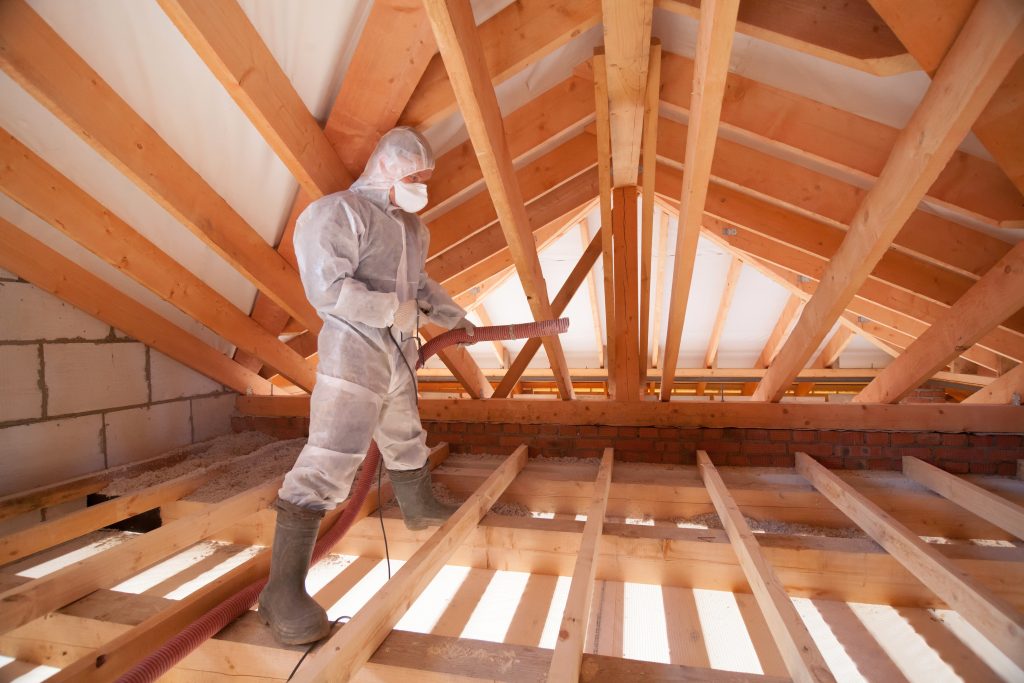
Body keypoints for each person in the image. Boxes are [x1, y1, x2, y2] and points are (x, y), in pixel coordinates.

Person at [258, 127, 474, 645]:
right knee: (331, 457)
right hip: (353, 352)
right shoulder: (339, 213)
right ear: (387, 170)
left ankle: (419, 509)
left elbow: (420, 286)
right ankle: (281, 591)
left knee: (405, 438)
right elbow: (326, 288)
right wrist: (386, 310)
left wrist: (453, 316)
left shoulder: (413, 230)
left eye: (426, 179)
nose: (423, 186)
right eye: (415, 177)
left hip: (398, 353)